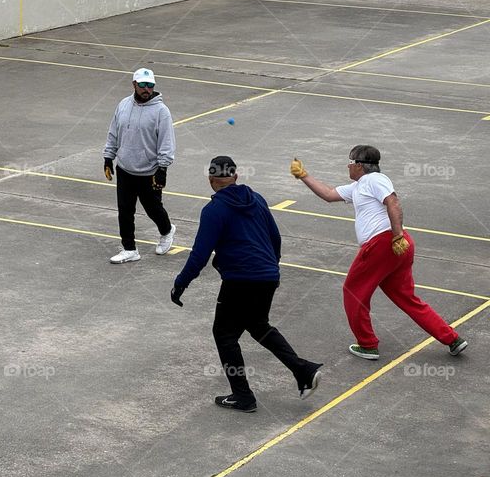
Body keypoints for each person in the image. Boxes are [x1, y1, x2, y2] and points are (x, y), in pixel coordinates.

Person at [171, 156, 322, 413]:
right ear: (236, 177)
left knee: (224, 334)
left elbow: (200, 254)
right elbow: (274, 237)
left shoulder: (214, 211)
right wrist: (271, 267)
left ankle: (243, 396)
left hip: (241, 280)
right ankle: (304, 370)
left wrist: (180, 283)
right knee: (258, 326)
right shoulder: (258, 199)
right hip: (266, 276)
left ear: (210, 180)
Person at [290, 146, 467, 360]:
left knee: (353, 292)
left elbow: (393, 201)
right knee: (407, 298)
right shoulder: (358, 187)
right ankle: (452, 339)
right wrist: (304, 175)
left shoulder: (375, 180)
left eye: (349, 161)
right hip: (395, 247)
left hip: (382, 245)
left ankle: (367, 345)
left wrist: (397, 234)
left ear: (358, 165)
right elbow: (328, 194)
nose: (347, 165)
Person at [102, 67, 177, 264]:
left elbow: (166, 142)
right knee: (125, 211)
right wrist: (108, 157)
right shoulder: (123, 105)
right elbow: (114, 133)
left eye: (150, 85)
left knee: (153, 209)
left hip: (149, 172)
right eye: (142, 85)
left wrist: (163, 169)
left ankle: (167, 230)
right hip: (125, 169)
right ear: (134, 84)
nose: (146, 89)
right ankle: (129, 249)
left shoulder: (162, 112)